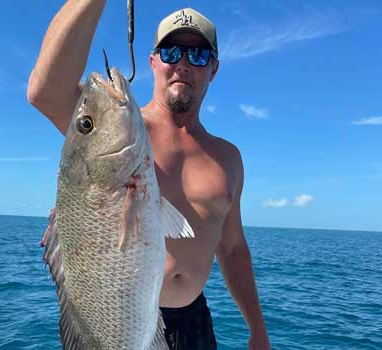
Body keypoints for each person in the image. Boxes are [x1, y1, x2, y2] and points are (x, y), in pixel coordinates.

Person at [28, 1, 270, 349]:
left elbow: (232, 249)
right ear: (153, 60)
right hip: (119, 319)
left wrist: (257, 329)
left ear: (213, 69)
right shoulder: (121, 127)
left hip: (195, 323)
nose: (183, 64)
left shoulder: (228, 158)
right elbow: (44, 91)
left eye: (198, 55)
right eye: (172, 51)